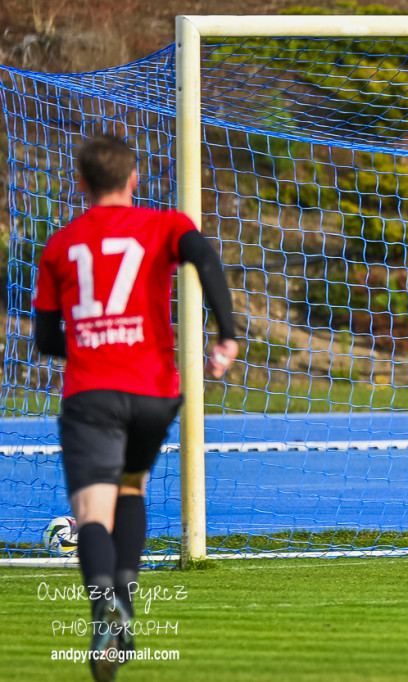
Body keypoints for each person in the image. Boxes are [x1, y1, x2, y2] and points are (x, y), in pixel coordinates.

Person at [32, 134, 239, 681]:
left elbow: (47, 340)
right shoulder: (165, 224)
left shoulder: (59, 246)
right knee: (132, 488)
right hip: (155, 390)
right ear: (134, 180)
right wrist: (227, 336)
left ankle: (106, 607)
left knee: (92, 511)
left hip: (93, 392)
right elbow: (203, 255)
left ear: (80, 185)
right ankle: (124, 597)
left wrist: (94, 338)